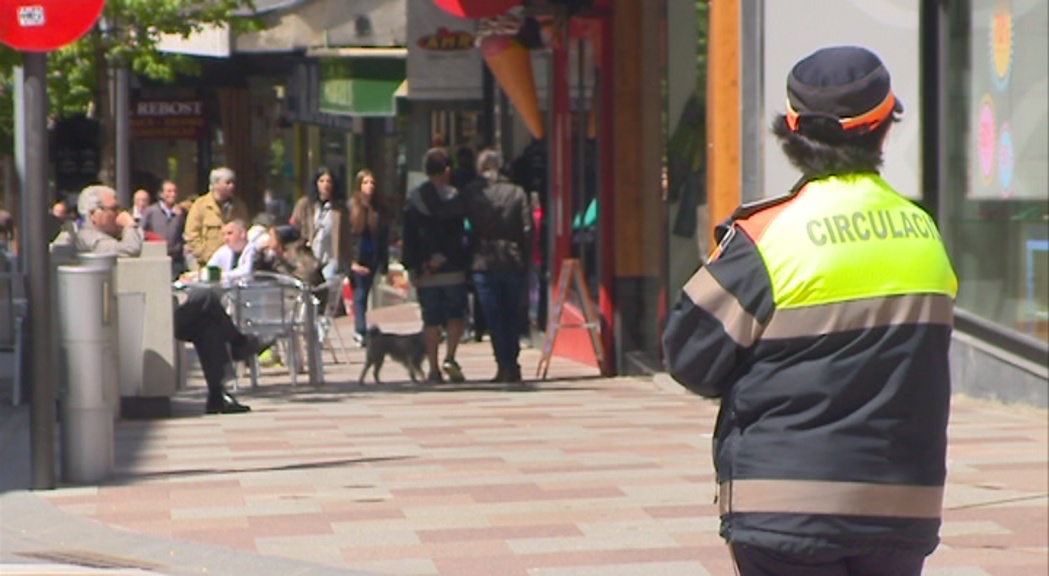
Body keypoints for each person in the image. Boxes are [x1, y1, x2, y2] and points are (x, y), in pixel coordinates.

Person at [661, 46, 957, 576]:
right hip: (902, 508)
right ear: (886, 127)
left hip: (783, 509)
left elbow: (688, 355)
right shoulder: (924, 233)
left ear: (793, 130)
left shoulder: (766, 237)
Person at [401, 147, 471, 383]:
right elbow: (459, 234)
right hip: (452, 269)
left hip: (425, 272)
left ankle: (433, 367)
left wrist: (413, 266)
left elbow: (409, 236)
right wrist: (441, 259)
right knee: (455, 315)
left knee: (430, 319)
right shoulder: (456, 198)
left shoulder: (414, 199)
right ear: (447, 170)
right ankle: (450, 356)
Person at [463, 149, 532, 383]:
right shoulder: (517, 192)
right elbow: (527, 229)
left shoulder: (473, 194)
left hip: (484, 259)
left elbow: (465, 228)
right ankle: (512, 363)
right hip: (513, 259)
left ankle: (504, 365)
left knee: (494, 317)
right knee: (512, 314)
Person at [347, 169, 390, 345]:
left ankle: (361, 328)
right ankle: (360, 330)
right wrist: (350, 261)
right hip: (357, 259)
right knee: (359, 293)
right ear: (358, 186)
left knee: (363, 296)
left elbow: (383, 237)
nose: (369, 186)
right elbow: (347, 237)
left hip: (372, 257)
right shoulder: (352, 206)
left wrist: (384, 262)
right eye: (365, 183)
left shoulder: (378, 209)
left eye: (372, 183)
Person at [289, 167, 353, 282]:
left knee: (328, 294)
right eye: (322, 181)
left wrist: (349, 262)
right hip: (309, 260)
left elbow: (345, 238)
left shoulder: (339, 209)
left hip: (330, 260)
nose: (325, 185)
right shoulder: (305, 204)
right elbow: (294, 228)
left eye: (329, 181)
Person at [184, 167, 249, 268]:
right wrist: (207, 256)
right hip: (206, 264)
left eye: (233, 182)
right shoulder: (200, 205)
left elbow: (244, 232)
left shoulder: (239, 207)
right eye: (227, 183)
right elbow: (191, 235)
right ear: (216, 184)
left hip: (234, 263)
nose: (232, 186)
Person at [53, 185, 143, 256]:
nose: (119, 213)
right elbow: (132, 249)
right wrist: (129, 225)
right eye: (114, 209)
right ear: (93, 214)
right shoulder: (93, 240)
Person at [141, 180, 188, 279]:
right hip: (157, 257)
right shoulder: (151, 211)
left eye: (175, 191)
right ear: (161, 194)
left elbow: (184, 232)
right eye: (169, 191)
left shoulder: (181, 212)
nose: (173, 194)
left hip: (176, 259)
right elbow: (141, 231)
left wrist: (179, 217)